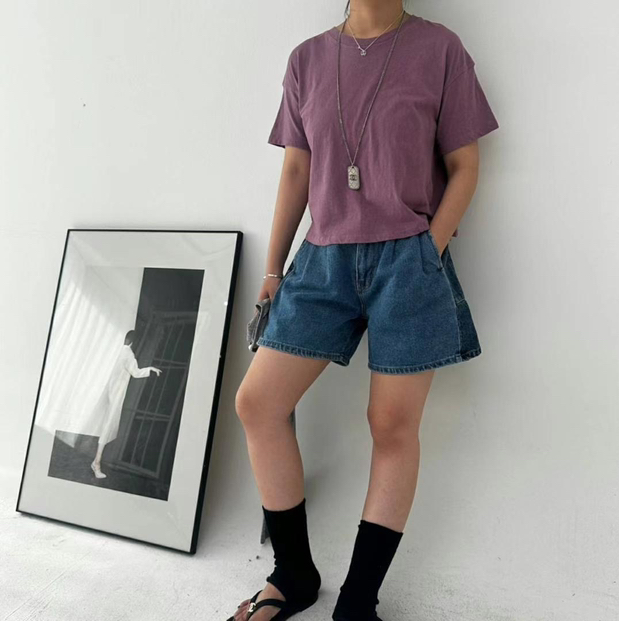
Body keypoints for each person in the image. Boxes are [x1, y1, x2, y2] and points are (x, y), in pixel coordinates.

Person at [229, 1, 499, 619]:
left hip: (410, 260)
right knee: (258, 404)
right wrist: (273, 271)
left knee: (392, 426)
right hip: (322, 259)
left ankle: (356, 603)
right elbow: (296, 170)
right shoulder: (307, 59)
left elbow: (465, 166)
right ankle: (293, 576)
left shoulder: (440, 49)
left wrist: (428, 249)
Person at [90, 330, 162, 479]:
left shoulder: (114, 350)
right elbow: (136, 372)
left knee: (101, 422)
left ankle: (96, 461)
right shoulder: (128, 355)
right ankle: (96, 463)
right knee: (108, 424)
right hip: (115, 392)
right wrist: (150, 369)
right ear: (134, 342)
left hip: (105, 389)